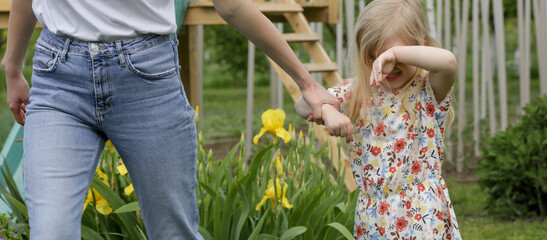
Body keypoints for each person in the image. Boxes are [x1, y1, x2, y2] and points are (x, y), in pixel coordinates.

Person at [2, 0, 338, 239]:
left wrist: (306, 82)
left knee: (173, 233)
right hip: (59, 76)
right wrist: (12, 66)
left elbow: (231, 5)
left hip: (146, 78)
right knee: (51, 231)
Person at [295, 0, 461, 239]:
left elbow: (448, 62)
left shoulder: (427, 89)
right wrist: (329, 111)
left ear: (419, 45)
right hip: (374, 218)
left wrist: (395, 53)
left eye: (393, 56)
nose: (386, 66)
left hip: (423, 217)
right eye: (374, 56)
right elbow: (302, 104)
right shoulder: (358, 91)